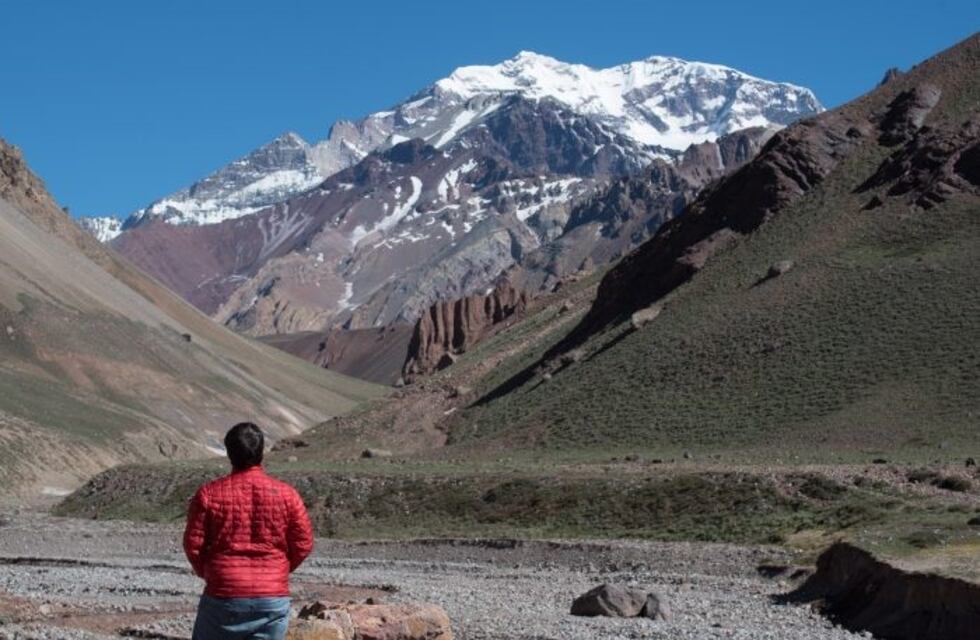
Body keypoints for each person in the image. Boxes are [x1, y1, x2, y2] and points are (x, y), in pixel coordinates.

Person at [183, 422, 314, 640]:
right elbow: (303, 542)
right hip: (271, 597)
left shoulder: (208, 494)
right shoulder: (287, 495)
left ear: (229, 453)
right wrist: (279, 570)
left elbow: (193, 544)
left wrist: (209, 571)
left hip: (223, 593)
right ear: (261, 452)